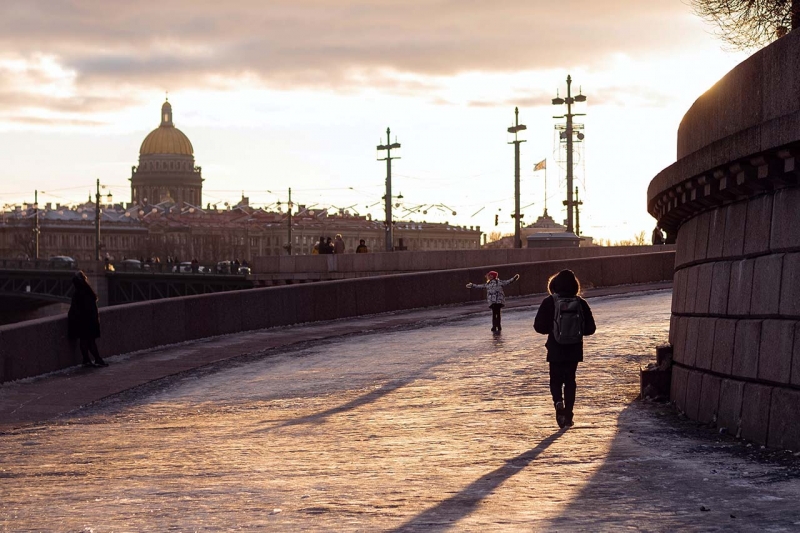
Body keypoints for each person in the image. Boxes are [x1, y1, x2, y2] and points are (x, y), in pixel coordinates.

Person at [533, 269, 596, 429]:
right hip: (574, 349)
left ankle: (558, 402)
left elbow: (538, 327)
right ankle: (568, 415)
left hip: (555, 348)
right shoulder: (581, 303)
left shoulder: (549, 302)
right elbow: (591, 329)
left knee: (555, 380)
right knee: (570, 381)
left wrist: (554, 329)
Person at [67, 271, 108, 367]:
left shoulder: (77, 294)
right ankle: (96, 359)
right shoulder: (88, 291)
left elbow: (74, 310)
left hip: (82, 322)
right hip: (90, 321)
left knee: (84, 341)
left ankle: (87, 359)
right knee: (90, 341)